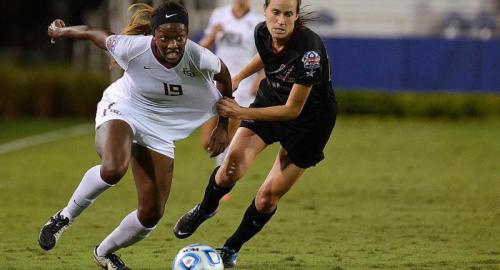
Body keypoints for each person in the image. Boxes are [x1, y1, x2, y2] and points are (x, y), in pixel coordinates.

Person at [38, 1, 232, 269]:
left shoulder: (199, 57)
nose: (174, 44)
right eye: (165, 38)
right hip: (124, 108)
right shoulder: (134, 48)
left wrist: (223, 125)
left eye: (180, 37)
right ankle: (63, 217)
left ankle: (104, 253)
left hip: (160, 127)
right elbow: (97, 34)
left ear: (187, 34)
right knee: (114, 168)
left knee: (152, 213)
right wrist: (62, 32)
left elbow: (225, 78)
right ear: (154, 35)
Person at [173, 0, 337, 268]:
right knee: (230, 168)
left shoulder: (310, 52)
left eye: (287, 14)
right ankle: (205, 209)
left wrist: (240, 112)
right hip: (271, 98)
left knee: (267, 196)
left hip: (310, 123)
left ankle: (231, 249)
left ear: (296, 16)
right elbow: (267, 55)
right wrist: (237, 77)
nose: (280, 21)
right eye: (275, 13)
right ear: (265, 13)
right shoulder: (262, 32)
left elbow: (291, 111)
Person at [199, 0, 264, 177]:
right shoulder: (219, 15)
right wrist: (213, 35)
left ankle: (222, 178)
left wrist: (260, 77)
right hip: (218, 80)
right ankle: (224, 172)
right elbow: (201, 49)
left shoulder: (258, 21)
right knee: (207, 141)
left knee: (229, 135)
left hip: (243, 83)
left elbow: (265, 53)